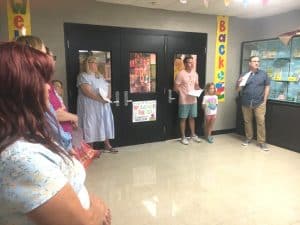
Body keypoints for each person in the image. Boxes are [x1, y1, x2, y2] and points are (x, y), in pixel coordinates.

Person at [0, 42, 111, 225]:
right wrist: (96, 209)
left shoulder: (26, 132)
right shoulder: (20, 158)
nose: (48, 88)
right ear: (21, 89)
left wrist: (88, 199)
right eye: (43, 81)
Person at [77, 56, 118, 153]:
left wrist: (108, 97)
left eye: (96, 62)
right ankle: (90, 149)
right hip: (90, 106)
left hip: (103, 106)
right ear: (87, 64)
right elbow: (87, 92)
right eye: (93, 62)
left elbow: (107, 86)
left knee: (103, 123)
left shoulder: (99, 76)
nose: (96, 64)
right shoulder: (83, 76)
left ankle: (107, 145)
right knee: (91, 125)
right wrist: (100, 100)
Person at [236, 56, 270, 151]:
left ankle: (262, 142)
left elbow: (267, 86)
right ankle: (248, 138)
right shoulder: (244, 75)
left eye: (258, 61)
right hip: (246, 102)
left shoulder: (263, 74)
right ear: (249, 63)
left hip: (259, 102)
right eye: (254, 61)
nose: (257, 63)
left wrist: (265, 100)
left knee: (261, 122)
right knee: (247, 121)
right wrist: (239, 83)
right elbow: (237, 90)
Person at [174, 55, 202, 145]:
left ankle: (193, 135)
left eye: (191, 62)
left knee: (192, 118)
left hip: (193, 100)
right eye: (188, 62)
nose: (190, 64)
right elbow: (175, 88)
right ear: (185, 63)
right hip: (184, 101)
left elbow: (196, 85)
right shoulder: (181, 74)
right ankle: (183, 137)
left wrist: (198, 89)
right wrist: (182, 94)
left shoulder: (195, 74)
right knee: (183, 119)